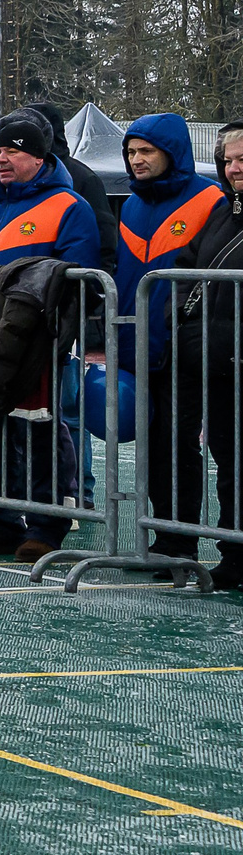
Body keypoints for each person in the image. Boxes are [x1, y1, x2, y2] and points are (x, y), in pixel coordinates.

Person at [0, 108, 110, 561]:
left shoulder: (69, 206)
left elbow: (78, 277)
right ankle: (0, 521)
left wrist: (54, 330)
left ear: (40, 158)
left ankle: (46, 525)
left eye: (14, 151)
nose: (2, 159)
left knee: (41, 428)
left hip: (37, 341)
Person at [109, 114, 223, 568]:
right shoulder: (131, 206)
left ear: (171, 152)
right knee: (152, 444)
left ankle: (180, 539)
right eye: (131, 152)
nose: (136, 160)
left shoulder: (210, 200)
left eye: (146, 151)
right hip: (138, 343)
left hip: (185, 345)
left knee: (179, 443)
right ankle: (161, 534)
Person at [174, 124, 243, 590]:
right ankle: (235, 553)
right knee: (229, 461)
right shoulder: (223, 213)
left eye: (242, 160)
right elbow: (187, 269)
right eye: (228, 161)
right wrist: (188, 328)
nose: (234, 169)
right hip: (218, 361)